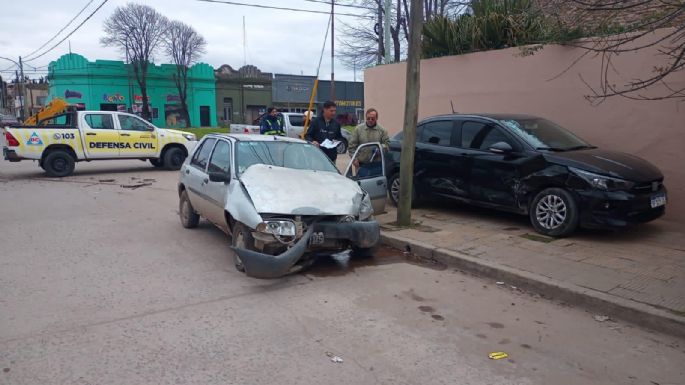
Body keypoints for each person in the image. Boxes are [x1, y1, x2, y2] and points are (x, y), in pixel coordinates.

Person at [348, 108, 390, 177]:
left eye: (373, 119)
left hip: (377, 165)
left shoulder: (382, 131)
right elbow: (351, 146)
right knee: (361, 185)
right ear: (366, 117)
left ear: (376, 118)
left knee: (374, 185)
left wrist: (381, 148)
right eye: (368, 118)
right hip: (361, 165)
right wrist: (354, 159)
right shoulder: (358, 129)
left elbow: (387, 145)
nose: (370, 120)